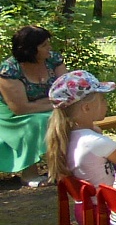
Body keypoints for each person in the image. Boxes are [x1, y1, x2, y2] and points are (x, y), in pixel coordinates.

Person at [44, 70, 116, 221]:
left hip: (85, 211)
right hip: (109, 212)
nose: (106, 103)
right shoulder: (97, 142)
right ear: (86, 108)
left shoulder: (66, 138)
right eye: (102, 99)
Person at [0, 25, 66, 185]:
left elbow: (66, 91)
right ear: (29, 50)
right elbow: (20, 108)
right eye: (44, 45)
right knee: (41, 121)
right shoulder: (10, 69)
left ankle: (60, 169)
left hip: (46, 106)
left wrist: (52, 103)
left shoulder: (53, 60)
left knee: (67, 116)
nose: (49, 48)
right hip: (11, 116)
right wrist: (54, 103)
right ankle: (29, 173)